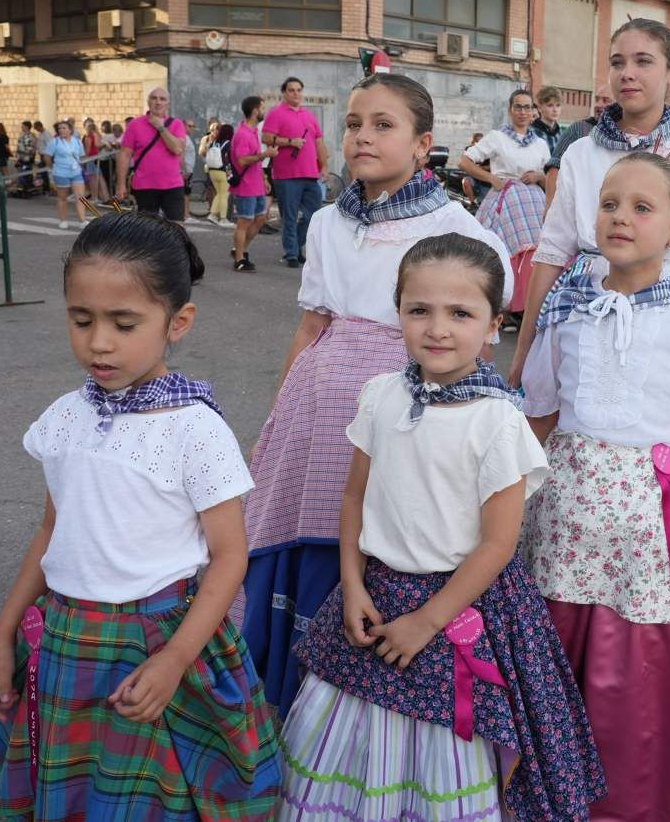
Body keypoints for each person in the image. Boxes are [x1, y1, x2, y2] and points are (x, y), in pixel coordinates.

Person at [279, 233, 605, 822]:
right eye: (419, 309)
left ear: (492, 327)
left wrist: (429, 622)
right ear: (398, 312)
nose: (438, 328)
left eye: (460, 313)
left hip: (459, 607)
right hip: (376, 595)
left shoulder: (500, 421)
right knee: (344, 745)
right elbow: (355, 499)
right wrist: (352, 587)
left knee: (443, 759)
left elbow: (499, 544)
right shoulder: (380, 395)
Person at [0, 212, 281, 818]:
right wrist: (2, 633)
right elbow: (51, 530)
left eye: (124, 323)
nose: (99, 342)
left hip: (160, 643)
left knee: (154, 798)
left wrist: (174, 661)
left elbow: (229, 557)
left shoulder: (195, 429)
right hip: (67, 643)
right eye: (81, 319)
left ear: (179, 323)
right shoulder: (65, 416)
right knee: (77, 796)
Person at [239, 73, 513, 716]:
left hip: (410, 414)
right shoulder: (329, 222)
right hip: (320, 411)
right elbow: (313, 324)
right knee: (308, 542)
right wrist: (281, 419)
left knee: (385, 541)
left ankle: (367, 701)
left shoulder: (457, 229)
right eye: (355, 123)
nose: (363, 136)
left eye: (383, 125)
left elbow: (475, 342)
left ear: (424, 145)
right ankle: (293, 701)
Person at [521, 152, 670, 819]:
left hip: (656, 536)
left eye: (642, 207)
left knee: (643, 666)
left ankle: (638, 797)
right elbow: (537, 417)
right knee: (563, 649)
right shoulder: (567, 311)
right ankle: (557, 787)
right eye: (609, 203)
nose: (621, 216)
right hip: (570, 520)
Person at [509, 18, 670, 385]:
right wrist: (525, 350)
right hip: (584, 313)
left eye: (643, 61)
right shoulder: (582, 152)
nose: (627, 73)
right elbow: (552, 254)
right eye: (618, 62)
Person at [457, 88, 551, 329]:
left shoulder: (540, 143)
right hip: (507, 199)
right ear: (510, 110)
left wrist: (539, 176)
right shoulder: (497, 137)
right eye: (518, 107)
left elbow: (550, 174)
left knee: (537, 250)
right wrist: (490, 179)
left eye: (528, 107)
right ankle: (508, 305)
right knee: (503, 250)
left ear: (534, 112)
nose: (523, 112)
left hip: (533, 201)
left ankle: (530, 306)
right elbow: (464, 161)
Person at [262, 77, 329, 269]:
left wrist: (324, 166)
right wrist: (291, 142)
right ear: (284, 93)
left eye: (299, 90)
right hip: (286, 175)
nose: (296, 93)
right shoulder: (275, 113)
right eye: (291, 90)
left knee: (312, 216)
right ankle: (291, 253)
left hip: (310, 174)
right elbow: (266, 137)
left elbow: (319, 143)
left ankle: (297, 245)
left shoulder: (309, 115)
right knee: (289, 217)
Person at [116, 88, 190, 221]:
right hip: (145, 185)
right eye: (154, 98)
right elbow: (124, 155)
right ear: (148, 102)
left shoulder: (176, 124)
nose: (158, 102)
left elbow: (178, 149)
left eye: (162, 99)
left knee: (177, 227)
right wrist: (121, 184)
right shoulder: (135, 125)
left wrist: (161, 128)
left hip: (172, 184)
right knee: (147, 229)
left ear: (168, 103)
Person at [546, 85, 615, 205]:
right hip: (578, 204)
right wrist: (549, 206)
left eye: (605, 100)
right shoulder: (578, 129)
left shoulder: (627, 136)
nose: (598, 104)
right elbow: (555, 168)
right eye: (597, 99)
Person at [231, 96, 277, 273]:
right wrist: (266, 154)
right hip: (245, 185)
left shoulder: (252, 132)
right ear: (255, 110)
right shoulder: (242, 134)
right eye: (262, 108)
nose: (264, 111)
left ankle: (241, 250)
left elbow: (255, 162)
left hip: (256, 183)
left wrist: (264, 179)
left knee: (260, 219)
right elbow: (242, 160)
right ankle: (239, 259)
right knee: (245, 221)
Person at [42, 121, 89, 229]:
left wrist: (82, 167)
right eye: (59, 128)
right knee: (63, 198)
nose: (61, 130)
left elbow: (81, 156)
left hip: (76, 172)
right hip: (61, 173)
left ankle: (82, 220)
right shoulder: (55, 142)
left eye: (64, 128)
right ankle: (63, 220)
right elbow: (47, 156)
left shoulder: (77, 142)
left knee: (81, 197)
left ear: (70, 130)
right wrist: (51, 167)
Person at [203, 122, 235, 228]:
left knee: (219, 194)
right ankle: (223, 219)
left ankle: (212, 215)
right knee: (225, 194)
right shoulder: (228, 143)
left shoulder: (214, 142)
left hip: (212, 171)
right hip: (222, 171)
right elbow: (230, 158)